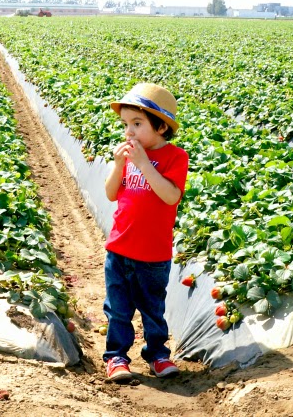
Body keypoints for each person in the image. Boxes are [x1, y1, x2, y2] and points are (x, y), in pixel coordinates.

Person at [102, 83, 189, 381]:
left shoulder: (175, 157)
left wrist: (143, 163)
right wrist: (118, 164)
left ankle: (157, 355)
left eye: (137, 124)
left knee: (153, 309)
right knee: (117, 310)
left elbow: (170, 196)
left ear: (162, 126)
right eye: (126, 124)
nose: (129, 131)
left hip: (153, 254)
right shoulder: (128, 156)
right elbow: (111, 194)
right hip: (119, 248)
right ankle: (116, 358)